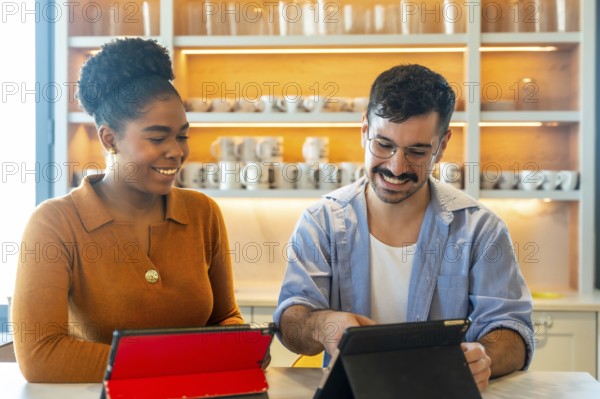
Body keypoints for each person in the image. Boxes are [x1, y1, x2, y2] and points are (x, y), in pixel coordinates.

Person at [274, 64, 534, 391]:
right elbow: (290, 323)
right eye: (384, 144)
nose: (397, 167)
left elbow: (512, 329)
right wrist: (323, 325)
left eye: (417, 151)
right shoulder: (321, 222)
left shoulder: (481, 229)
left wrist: (487, 357)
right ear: (364, 130)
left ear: (442, 145)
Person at [12, 38, 244, 383]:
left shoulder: (202, 213)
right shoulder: (55, 223)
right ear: (109, 139)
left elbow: (225, 316)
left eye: (182, 136)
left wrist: (242, 343)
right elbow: (40, 356)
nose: (176, 152)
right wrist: (177, 362)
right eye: (157, 138)